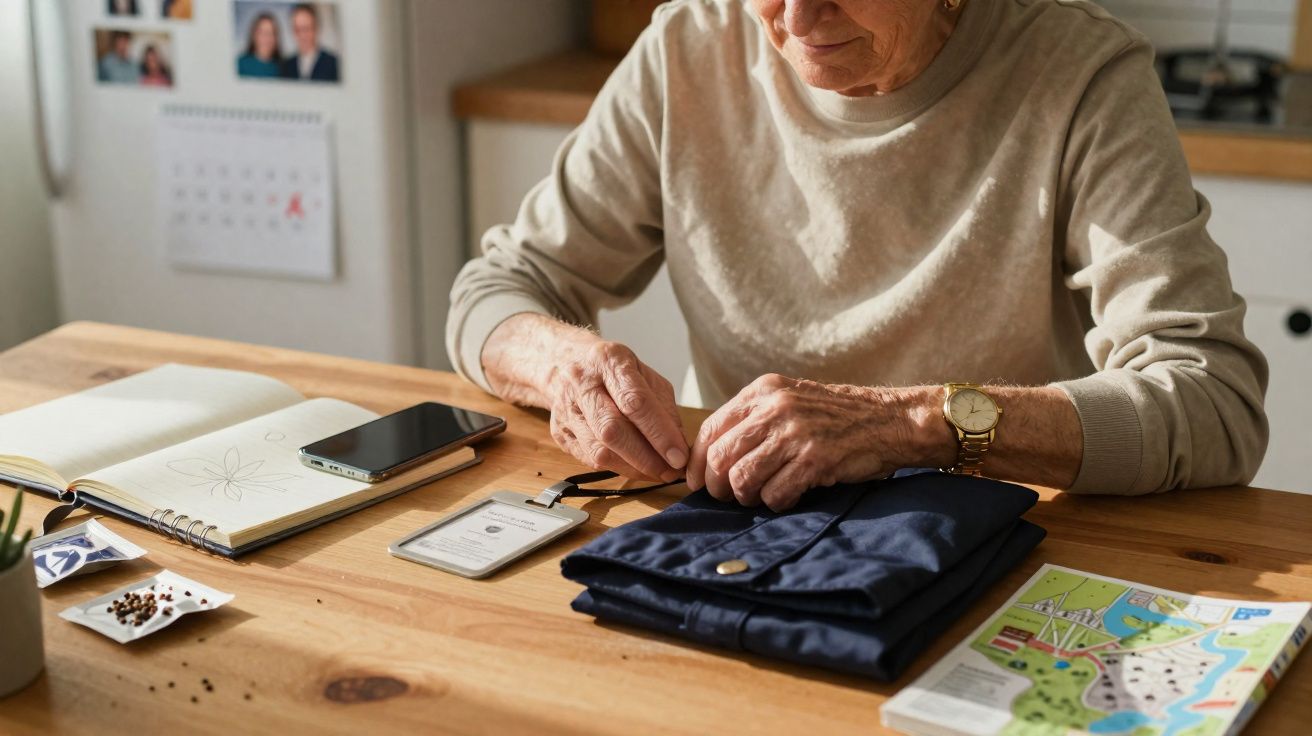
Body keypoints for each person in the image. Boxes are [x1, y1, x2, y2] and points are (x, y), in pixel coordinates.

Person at [447, 0, 1268, 510]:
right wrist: (566, 366)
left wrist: (916, 424)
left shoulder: (1079, 74)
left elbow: (1212, 400)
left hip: (1004, 545)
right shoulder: (688, 48)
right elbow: (501, 288)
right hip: (742, 527)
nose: (797, 20)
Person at [279, 3, 339, 82]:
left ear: (316, 28)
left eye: (306, 29)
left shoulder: (333, 63)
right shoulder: (286, 65)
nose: (302, 35)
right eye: (297, 29)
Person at [237, 13, 284, 79]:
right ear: (254, 35)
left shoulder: (283, 68)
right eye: (263, 33)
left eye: (272, 33)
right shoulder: (240, 64)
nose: (267, 38)